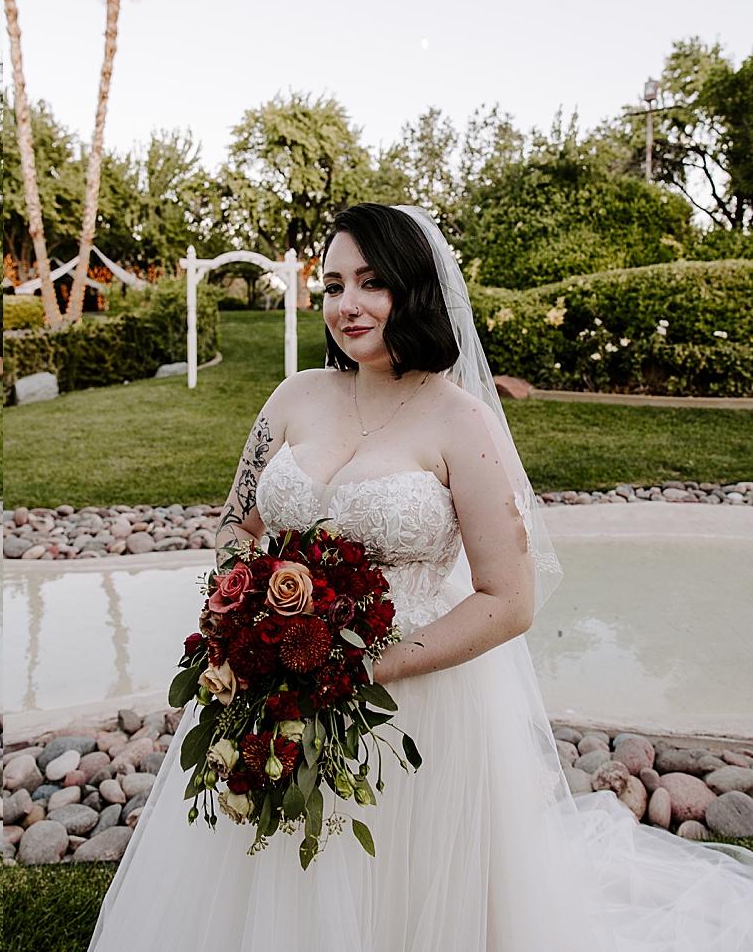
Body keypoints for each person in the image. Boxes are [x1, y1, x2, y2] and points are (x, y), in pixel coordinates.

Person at [88, 204, 753, 951]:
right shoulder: (292, 397)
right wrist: (247, 614)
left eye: (372, 282)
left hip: (416, 699)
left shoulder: (460, 421)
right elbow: (235, 526)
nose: (347, 304)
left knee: (399, 881)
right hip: (274, 677)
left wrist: (365, 662)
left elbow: (511, 598)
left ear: (415, 290)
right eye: (333, 284)